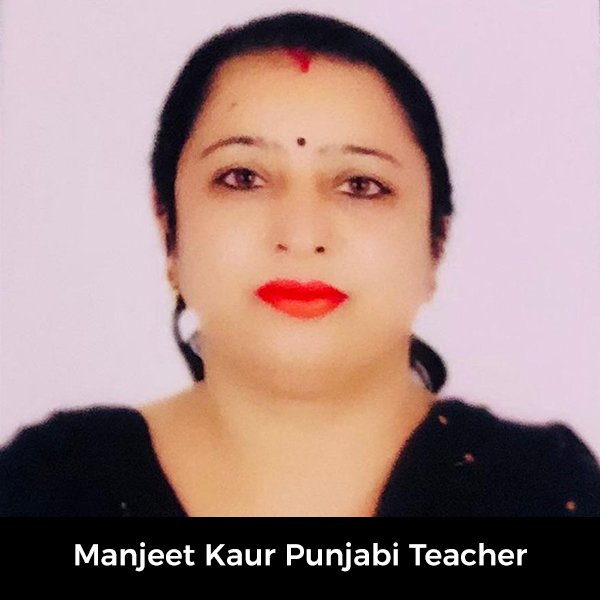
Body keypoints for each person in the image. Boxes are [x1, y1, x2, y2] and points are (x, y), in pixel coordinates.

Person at [1, 11, 599, 517]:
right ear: (168, 230)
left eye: (361, 185)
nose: (302, 235)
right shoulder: (49, 487)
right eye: (242, 177)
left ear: (435, 242)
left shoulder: (541, 490)